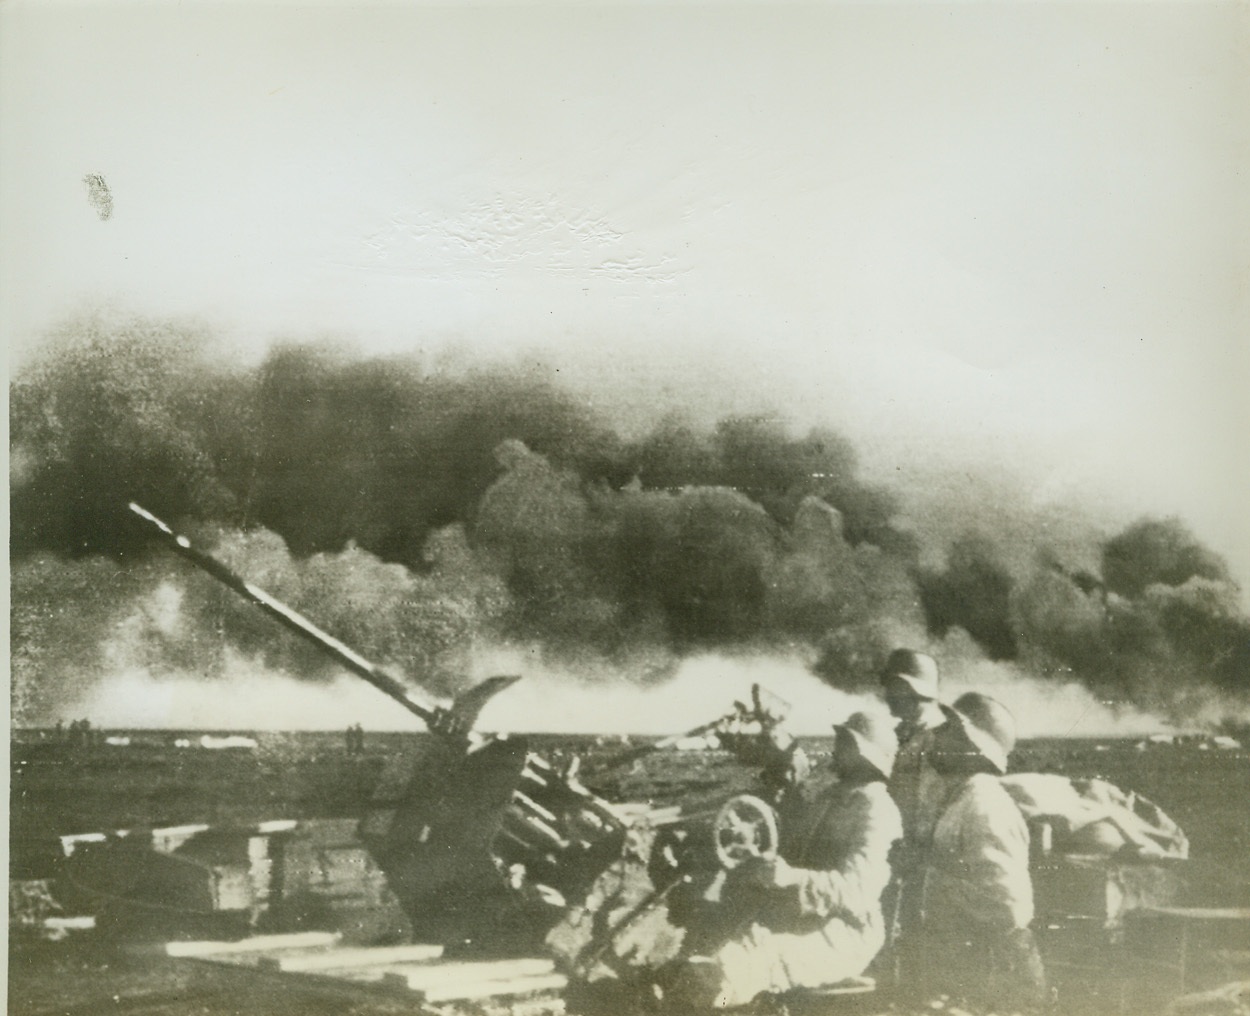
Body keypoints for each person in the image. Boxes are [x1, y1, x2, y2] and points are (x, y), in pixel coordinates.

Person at [663, 711, 903, 1009]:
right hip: (800, 916)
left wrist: (791, 877)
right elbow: (791, 847)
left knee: (739, 965)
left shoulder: (878, 811)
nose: (836, 749)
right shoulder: (830, 797)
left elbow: (857, 890)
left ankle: (708, 1000)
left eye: (844, 743)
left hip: (847, 933)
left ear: (863, 753)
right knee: (706, 938)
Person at [911, 692, 1046, 1011]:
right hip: (972, 975)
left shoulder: (984, 806)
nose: (936, 735)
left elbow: (1008, 909)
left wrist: (932, 881)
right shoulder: (961, 798)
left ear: (973, 746)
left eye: (950, 730)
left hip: (998, 982)